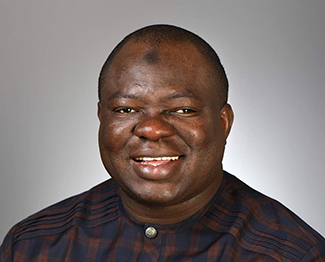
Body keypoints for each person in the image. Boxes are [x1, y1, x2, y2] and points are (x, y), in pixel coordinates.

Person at [1, 24, 324, 262]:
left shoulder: (291, 253)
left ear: (222, 123)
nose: (152, 129)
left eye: (182, 110)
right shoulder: (34, 245)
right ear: (102, 118)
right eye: (126, 109)